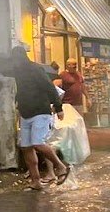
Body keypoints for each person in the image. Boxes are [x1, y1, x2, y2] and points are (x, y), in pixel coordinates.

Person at [6, 46, 69, 190]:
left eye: (15, 60)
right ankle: (36, 181)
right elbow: (22, 88)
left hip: (40, 111)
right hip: (26, 113)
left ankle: (61, 167)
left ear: (20, 58)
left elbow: (50, 88)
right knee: (26, 147)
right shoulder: (18, 71)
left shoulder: (36, 69)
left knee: (38, 143)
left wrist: (58, 108)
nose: (14, 63)